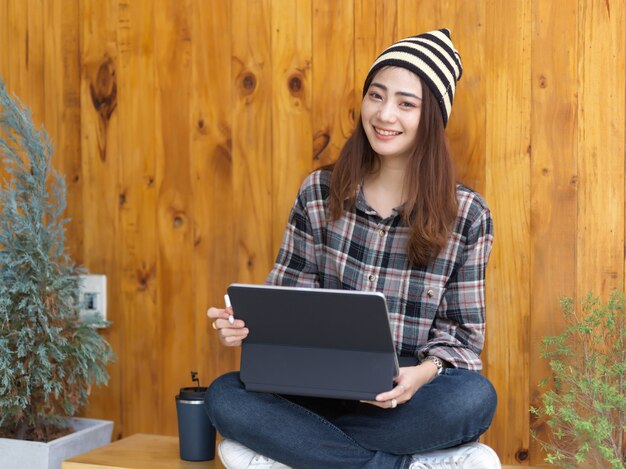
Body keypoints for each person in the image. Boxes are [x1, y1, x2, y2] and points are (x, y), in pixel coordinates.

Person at [205, 29, 499, 469]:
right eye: (376, 96)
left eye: (406, 103)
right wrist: (245, 325)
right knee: (225, 397)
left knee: (474, 400)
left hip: (406, 393)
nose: (384, 114)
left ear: (431, 117)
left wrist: (419, 376)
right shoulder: (318, 193)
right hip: (315, 386)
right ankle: (400, 464)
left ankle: (294, 454)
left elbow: (461, 337)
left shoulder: (469, 215)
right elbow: (288, 298)